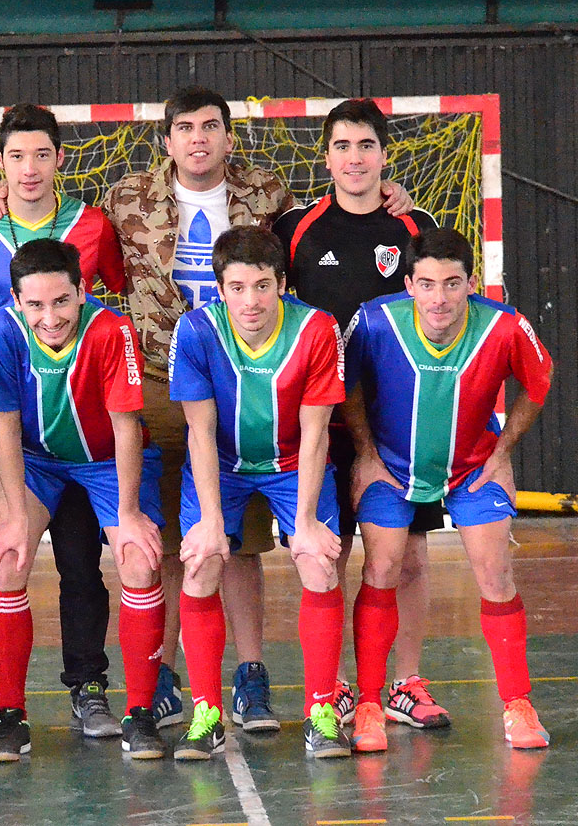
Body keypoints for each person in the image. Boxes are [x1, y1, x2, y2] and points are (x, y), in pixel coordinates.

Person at [100, 85, 413, 732]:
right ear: (167, 139)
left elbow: (323, 236)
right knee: (170, 541)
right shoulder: (125, 198)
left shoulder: (270, 197)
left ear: (228, 136)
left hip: (256, 382)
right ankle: (159, 674)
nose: (198, 139)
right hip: (163, 377)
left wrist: (390, 203)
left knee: (239, 544)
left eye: (210, 126)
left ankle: (249, 675)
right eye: (184, 127)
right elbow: (79, 263)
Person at [0, 103, 128, 740]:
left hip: (76, 426)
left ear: (60, 159)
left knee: (80, 563)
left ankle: (88, 685)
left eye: (42, 154)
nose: (29, 168)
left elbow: (115, 296)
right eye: (16, 156)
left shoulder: (93, 226)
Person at [273, 97, 448, 729]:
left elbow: (443, 311)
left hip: (403, 424)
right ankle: (337, 687)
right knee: (331, 552)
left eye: (366, 146)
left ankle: (404, 683)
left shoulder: (413, 225)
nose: (355, 158)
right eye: (343, 146)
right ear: (326, 156)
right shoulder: (294, 226)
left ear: (383, 154)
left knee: (408, 556)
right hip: (323, 422)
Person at [344, 228, 553, 752]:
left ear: (471, 283)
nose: (440, 298)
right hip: (391, 467)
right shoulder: (373, 320)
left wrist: (503, 452)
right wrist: (366, 455)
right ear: (410, 283)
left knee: (496, 573)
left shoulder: (506, 326)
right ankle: (371, 702)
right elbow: (343, 385)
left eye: (453, 284)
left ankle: (518, 705)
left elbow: (539, 382)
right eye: (429, 284)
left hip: (473, 468)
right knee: (382, 569)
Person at [0, 238, 167, 762]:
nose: (50, 316)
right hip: (38, 461)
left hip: (108, 461)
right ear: (17, 301)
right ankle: (11, 715)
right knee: (8, 559)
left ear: (83, 292)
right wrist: (17, 517)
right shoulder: (1, 331)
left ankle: (140, 713)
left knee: (139, 559)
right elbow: (5, 427)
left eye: (61, 301)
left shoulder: (112, 330)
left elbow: (126, 426)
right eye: (35, 304)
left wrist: (128, 515)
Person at [168, 226, 348, 760]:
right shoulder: (196, 330)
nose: (251, 301)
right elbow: (199, 432)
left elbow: (317, 432)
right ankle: (206, 713)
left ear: (282, 283)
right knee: (200, 562)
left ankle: (322, 710)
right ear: (220, 289)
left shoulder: (317, 329)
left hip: (293, 462)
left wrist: (309, 521)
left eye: (263, 286)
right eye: (238, 287)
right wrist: (206, 519)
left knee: (317, 561)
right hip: (222, 463)